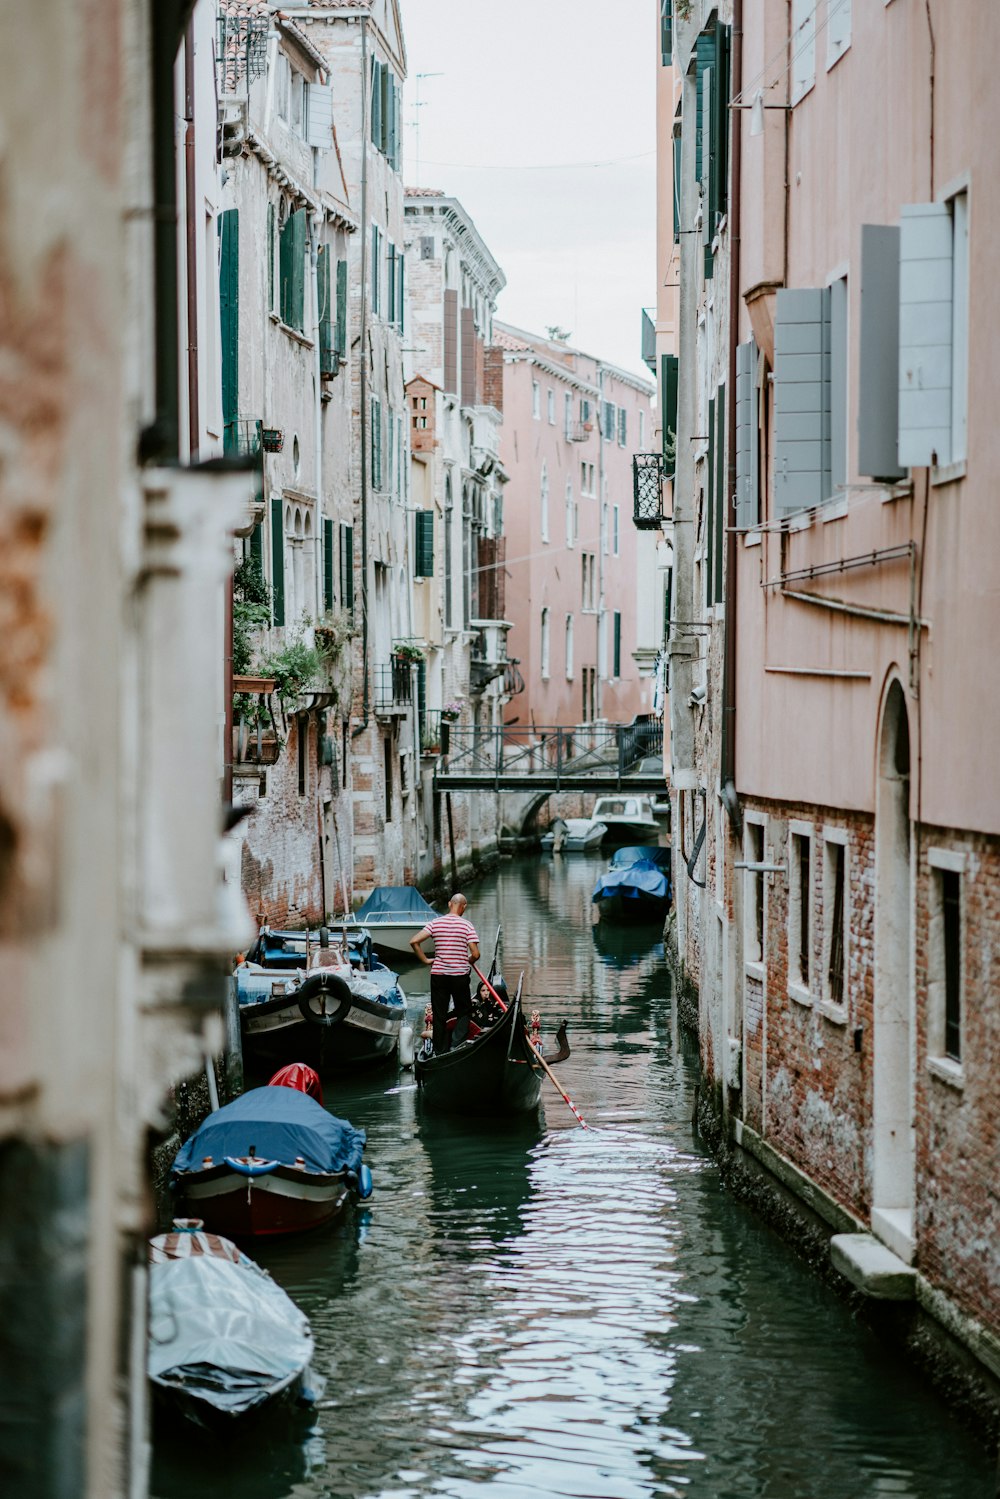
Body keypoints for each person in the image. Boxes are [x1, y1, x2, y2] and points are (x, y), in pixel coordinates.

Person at [409, 893, 480, 1054]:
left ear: (449, 904)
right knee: (464, 1011)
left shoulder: (435, 923)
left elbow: (414, 941)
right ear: (464, 906)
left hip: (439, 975)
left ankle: (439, 1052)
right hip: (459, 976)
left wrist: (426, 960)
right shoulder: (467, 925)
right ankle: (455, 1045)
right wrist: (467, 959)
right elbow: (475, 954)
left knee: (439, 1013)